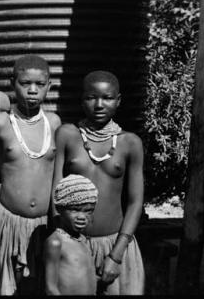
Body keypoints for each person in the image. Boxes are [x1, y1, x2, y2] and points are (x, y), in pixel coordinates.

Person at [0, 55, 61, 295]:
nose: (32, 91)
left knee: (39, 288)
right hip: (6, 223)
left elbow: (57, 177)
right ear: (12, 83)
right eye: (25, 83)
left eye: (39, 85)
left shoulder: (54, 124)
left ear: (48, 86)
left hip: (44, 227)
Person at [53, 70, 145, 295]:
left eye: (107, 98)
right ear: (82, 99)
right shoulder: (67, 134)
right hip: (72, 243)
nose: (99, 104)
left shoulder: (130, 143)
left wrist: (116, 254)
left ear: (118, 100)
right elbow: (54, 194)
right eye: (91, 97)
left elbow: (135, 202)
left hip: (115, 245)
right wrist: (60, 243)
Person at [44, 174, 98, 295]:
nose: (82, 217)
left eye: (88, 211)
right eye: (75, 210)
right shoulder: (56, 242)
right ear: (59, 208)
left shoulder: (82, 240)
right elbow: (50, 288)